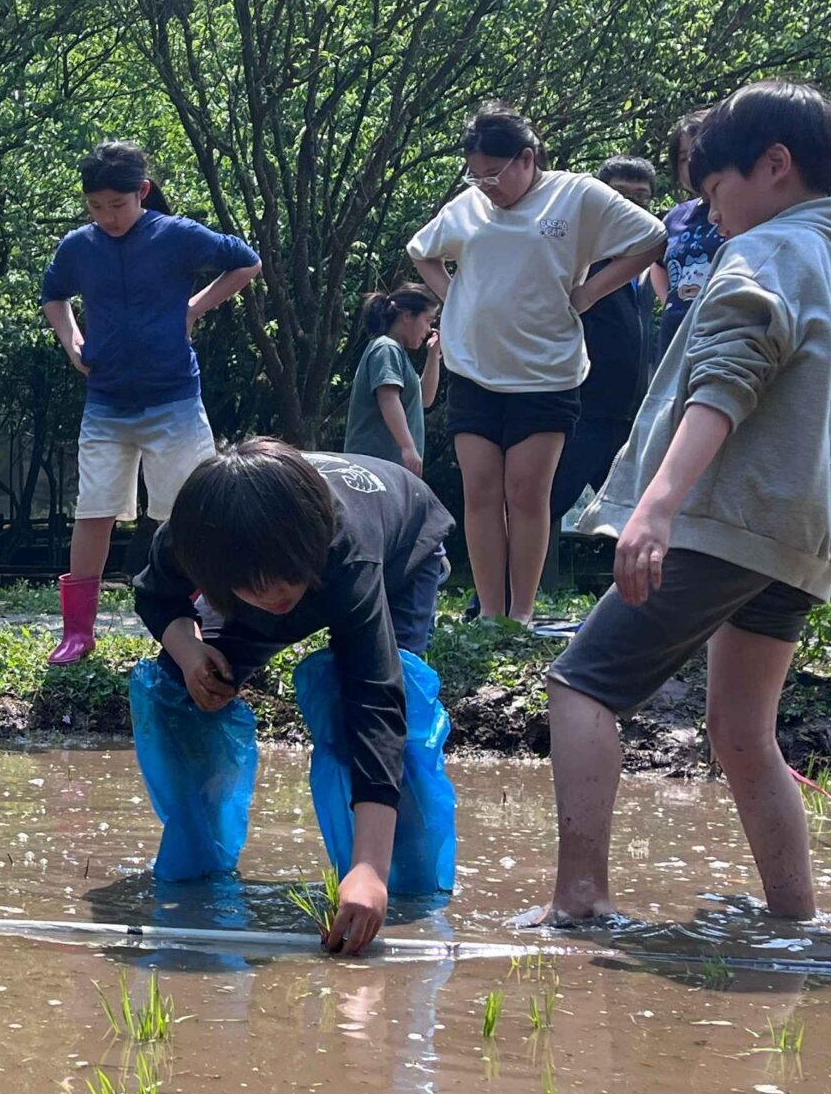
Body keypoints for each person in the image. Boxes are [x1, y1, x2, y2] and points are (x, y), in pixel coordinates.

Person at [544, 81, 831, 923]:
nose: (708, 213)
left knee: (580, 688)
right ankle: (794, 915)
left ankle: (578, 901)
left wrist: (655, 507)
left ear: (773, 167)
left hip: (730, 521)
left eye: (714, 190)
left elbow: (726, 381)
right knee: (739, 728)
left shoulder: (766, 255)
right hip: (806, 536)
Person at [132, 441, 453, 951]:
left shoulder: (347, 552)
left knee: (387, 706)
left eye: (283, 584)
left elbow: (376, 701)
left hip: (396, 552)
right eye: (252, 588)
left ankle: (395, 882)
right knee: (186, 684)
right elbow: (154, 594)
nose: (275, 598)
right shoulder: (198, 535)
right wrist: (192, 655)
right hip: (283, 555)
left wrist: (369, 867)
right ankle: (197, 862)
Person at [407, 105, 663, 626]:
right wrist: (453, 295)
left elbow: (651, 238)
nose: (486, 185)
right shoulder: (469, 205)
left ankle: (519, 615)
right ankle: (489, 615)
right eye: (476, 175)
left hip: (546, 371)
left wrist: (589, 293)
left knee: (526, 492)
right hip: (475, 366)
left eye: (494, 173)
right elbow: (422, 251)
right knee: (479, 490)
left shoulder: (576, 195)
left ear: (527, 158)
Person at [40, 141, 263, 665]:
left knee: (186, 515)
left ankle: (198, 619)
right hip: (106, 404)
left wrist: (195, 306)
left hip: (174, 401)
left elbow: (245, 263)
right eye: (97, 207)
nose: (108, 217)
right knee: (93, 510)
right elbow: (54, 296)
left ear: (141, 192)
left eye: (117, 205)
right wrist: (72, 344)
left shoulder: (176, 235)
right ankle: (78, 631)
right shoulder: (79, 245)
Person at [549, 157, 661, 540]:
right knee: (544, 502)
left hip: (628, 416)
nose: (630, 205)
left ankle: (640, 600)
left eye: (641, 197)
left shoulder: (648, 266)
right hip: (583, 409)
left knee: (634, 518)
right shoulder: (577, 256)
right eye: (620, 195)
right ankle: (492, 598)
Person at [341, 285, 441, 480]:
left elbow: (425, 399)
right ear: (407, 316)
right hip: (374, 469)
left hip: (389, 470)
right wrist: (408, 447)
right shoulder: (386, 348)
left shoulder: (398, 354)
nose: (429, 329)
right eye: (427, 320)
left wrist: (433, 354)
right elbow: (388, 398)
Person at [655, 109, 725, 361]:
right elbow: (657, 263)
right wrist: (670, 302)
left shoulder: (742, 209)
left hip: (721, 337)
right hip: (675, 333)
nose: (692, 164)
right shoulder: (675, 216)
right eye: (684, 158)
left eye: (699, 153)